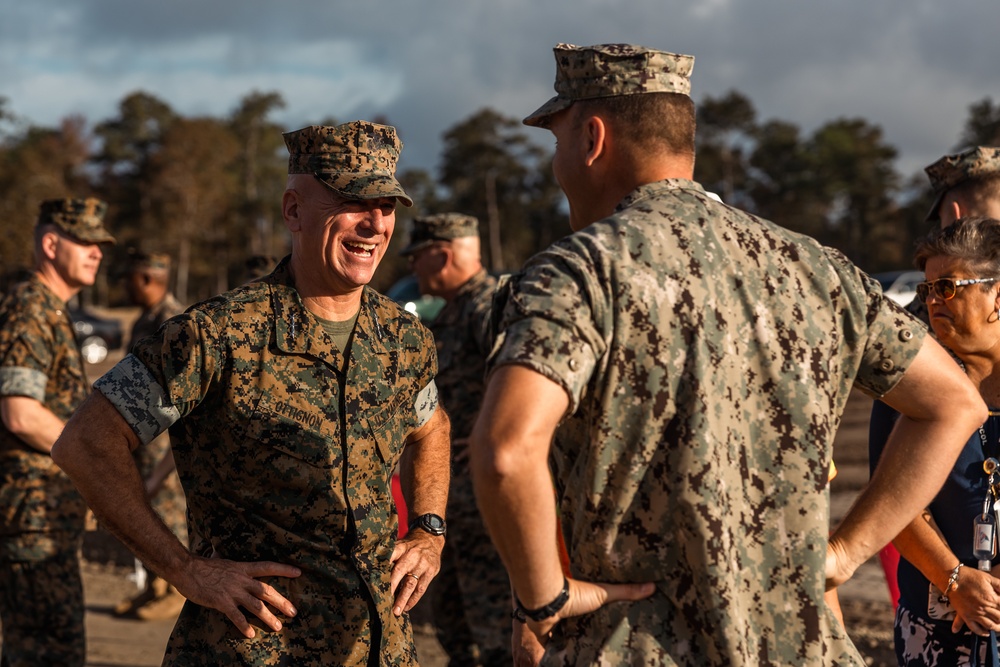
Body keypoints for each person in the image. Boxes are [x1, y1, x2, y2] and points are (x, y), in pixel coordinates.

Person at [468, 42, 987, 666]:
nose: (558, 164)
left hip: (636, 647)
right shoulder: (815, 267)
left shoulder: (582, 270)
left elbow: (506, 450)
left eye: (556, 141)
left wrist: (542, 598)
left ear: (592, 139)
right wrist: (845, 553)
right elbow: (953, 405)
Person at [51, 121, 452, 666]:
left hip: (381, 647)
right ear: (293, 211)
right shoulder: (216, 335)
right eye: (352, 201)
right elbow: (86, 442)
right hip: (255, 650)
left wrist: (428, 529)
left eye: (386, 204)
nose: (374, 223)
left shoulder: (403, 338)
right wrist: (184, 570)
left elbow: (432, 428)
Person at [869, 217, 1000, 665]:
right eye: (927, 290)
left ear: (997, 295)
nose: (931, 301)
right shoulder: (909, 384)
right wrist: (956, 581)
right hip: (937, 628)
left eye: (948, 286)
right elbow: (890, 505)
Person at [0, 197, 115, 666]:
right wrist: (91, 458)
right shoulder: (31, 308)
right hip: (32, 523)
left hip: (44, 518)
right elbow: (20, 412)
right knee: (50, 652)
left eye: (100, 244)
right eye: (85, 241)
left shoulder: (47, 307)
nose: (97, 252)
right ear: (51, 243)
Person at [400, 213, 510, 666]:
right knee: (455, 623)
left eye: (418, 257)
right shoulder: (454, 312)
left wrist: (491, 433)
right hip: (456, 500)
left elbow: (529, 384)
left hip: (489, 499)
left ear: (443, 254)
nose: (413, 270)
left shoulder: (493, 308)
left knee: (500, 627)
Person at [112, 250, 188, 620]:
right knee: (145, 514)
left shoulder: (174, 320)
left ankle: (176, 591)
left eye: (130, 279)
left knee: (168, 516)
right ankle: (155, 587)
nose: (125, 286)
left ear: (146, 279)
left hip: (167, 443)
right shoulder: (144, 320)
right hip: (143, 440)